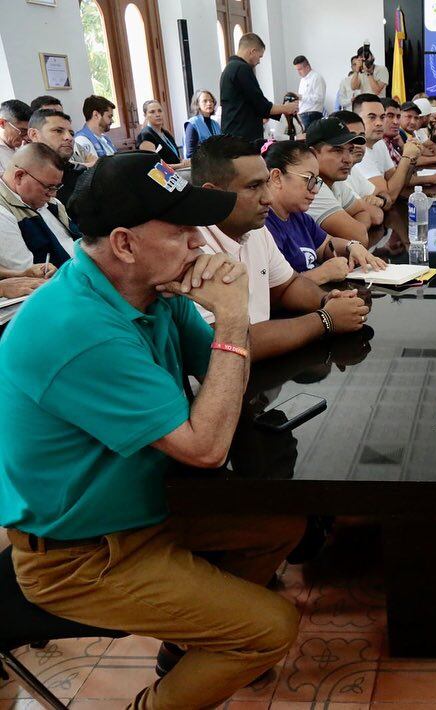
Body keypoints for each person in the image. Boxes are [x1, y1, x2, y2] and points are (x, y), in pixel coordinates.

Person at [0, 149, 306, 707]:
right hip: (79, 555)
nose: (199, 241)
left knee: (278, 522)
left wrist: (227, 332)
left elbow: (221, 370)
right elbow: (206, 447)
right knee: (271, 628)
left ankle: (185, 647)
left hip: (144, 511)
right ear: (123, 242)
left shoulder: (150, 290)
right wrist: (234, 317)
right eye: (183, 228)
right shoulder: (81, 329)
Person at [190, 135, 372, 360]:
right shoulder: (191, 249)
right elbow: (231, 343)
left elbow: (288, 285)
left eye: (266, 183)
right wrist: (325, 320)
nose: (268, 197)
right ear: (212, 194)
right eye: (254, 186)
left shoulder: (256, 229)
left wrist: (328, 300)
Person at [263, 140, 382, 284]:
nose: (315, 189)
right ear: (276, 177)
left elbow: (326, 245)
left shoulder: (299, 217)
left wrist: (351, 246)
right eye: (309, 179)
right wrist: (322, 274)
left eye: (317, 181)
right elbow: (274, 289)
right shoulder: (263, 227)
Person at [304, 116, 382, 246]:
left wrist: (357, 228)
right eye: (337, 150)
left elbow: (368, 213)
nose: (348, 159)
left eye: (350, 150)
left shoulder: (335, 181)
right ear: (313, 154)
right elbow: (360, 236)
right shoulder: (312, 186)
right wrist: (357, 229)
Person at [0, 143, 79, 270]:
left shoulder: (50, 202)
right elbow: (28, 275)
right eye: (48, 187)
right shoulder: (3, 214)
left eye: (57, 187)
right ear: (19, 176)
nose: (53, 194)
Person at [220, 33, 298, 143]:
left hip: (233, 134)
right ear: (253, 51)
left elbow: (252, 104)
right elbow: (260, 105)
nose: (259, 61)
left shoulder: (230, 68)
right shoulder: (242, 68)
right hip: (243, 136)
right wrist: (286, 108)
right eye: (260, 56)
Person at [352, 93, 422, 209]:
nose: (379, 123)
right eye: (372, 117)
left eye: (382, 117)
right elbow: (389, 197)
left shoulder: (379, 143)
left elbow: (400, 184)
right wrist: (407, 156)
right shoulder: (357, 151)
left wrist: (412, 159)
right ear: (357, 120)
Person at [332, 111, 387, 221]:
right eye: (351, 137)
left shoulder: (353, 169)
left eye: (361, 137)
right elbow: (376, 217)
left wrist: (381, 199)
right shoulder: (337, 176)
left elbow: (384, 194)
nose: (357, 144)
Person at [27, 108, 83, 205]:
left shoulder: (81, 175)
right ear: (34, 134)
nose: (69, 138)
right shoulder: (22, 179)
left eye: (71, 133)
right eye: (58, 131)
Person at [136, 99, 184, 166]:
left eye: (160, 111)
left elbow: (176, 158)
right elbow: (155, 166)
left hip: (176, 172)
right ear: (145, 115)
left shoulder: (166, 133)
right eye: (152, 112)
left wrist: (185, 162)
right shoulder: (146, 135)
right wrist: (182, 165)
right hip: (161, 175)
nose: (157, 114)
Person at [72, 95, 117, 165]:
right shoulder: (80, 140)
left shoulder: (105, 138)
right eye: (109, 116)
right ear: (96, 115)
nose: (112, 121)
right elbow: (91, 172)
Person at [184, 89, 222, 160]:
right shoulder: (192, 124)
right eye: (205, 101)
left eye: (211, 101)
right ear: (197, 104)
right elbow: (190, 154)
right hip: (200, 167)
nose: (209, 103)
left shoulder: (216, 124)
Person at [293, 55, 326, 128]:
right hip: (303, 115)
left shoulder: (317, 77)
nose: (298, 72)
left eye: (300, 69)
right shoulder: (302, 80)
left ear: (307, 67)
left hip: (312, 115)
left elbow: (319, 98)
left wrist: (301, 97)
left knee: (311, 138)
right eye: (297, 70)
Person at [0, 99, 31, 174]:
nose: (27, 137)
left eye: (29, 131)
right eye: (23, 131)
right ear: (2, 123)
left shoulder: (25, 147)